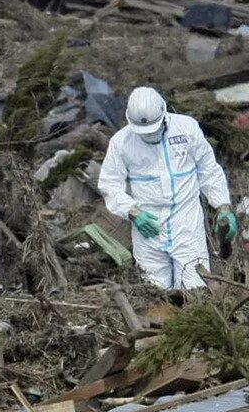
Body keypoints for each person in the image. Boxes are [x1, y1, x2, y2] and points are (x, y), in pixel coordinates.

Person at [96, 87, 235, 292]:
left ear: (164, 115)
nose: (150, 134)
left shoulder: (186, 129)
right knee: (154, 291)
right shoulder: (121, 142)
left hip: (186, 221)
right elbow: (109, 184)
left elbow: (208, 170)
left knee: (194, 287)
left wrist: (223, 207)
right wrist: (133, 212)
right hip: (148, 225)